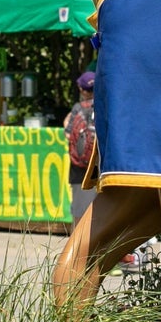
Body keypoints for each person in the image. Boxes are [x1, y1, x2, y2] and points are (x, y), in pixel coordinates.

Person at [65, 70, 98, 224]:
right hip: (98, 167)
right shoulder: (105, 105)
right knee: (100, 213)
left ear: (83, 90)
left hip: (79, 169)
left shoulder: (78, 108)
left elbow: (68, 133)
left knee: (79, 214)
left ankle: (78, 247)